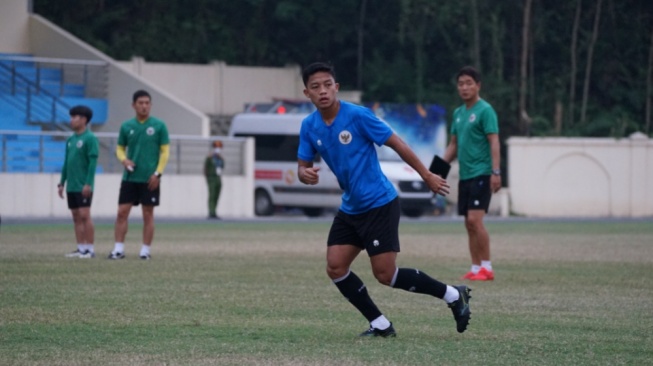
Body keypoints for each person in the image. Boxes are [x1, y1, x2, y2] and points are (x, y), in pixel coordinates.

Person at [297, 62, 472, 337]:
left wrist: (427, 175)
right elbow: (302, 165)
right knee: (335, 266)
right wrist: (304, 174)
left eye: (328, 85)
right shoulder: (309, 126)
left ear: (337, 87)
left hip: (380, 203)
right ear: (307, 93)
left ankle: (452, 294)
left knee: (385, 275)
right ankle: (380, 324)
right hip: (351, 207)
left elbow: (398, 143)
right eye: (316, 87)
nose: (323, 91)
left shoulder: (358, 116)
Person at [442, 66, 501, 281]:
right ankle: (476, 268)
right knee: (468, 222)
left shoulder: (485, 110)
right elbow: (453, 146)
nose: (464, 87)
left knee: (476, 220)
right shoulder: (458, 114)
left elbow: (494, 141)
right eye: (461, 84)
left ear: (478, 86)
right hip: (465, 175)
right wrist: (434, 172)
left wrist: (495, 172)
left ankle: (487, 267)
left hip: (482, 173)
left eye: (469, 83)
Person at [108, 90, 170, 260]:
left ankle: (145, 251)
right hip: (130, 177)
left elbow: (165, 152)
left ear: (150, 105)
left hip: (150, 178)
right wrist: (124, 160)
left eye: (147, 103)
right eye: (141, 103)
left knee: (147, 214)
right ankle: (118, 250)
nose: (144, 106)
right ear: (133, 105)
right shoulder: (126, 126)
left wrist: (158, 174)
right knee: (122, 212)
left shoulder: (159, 126)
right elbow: (120, 148)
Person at [58, 105, 99, 258]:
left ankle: (90, 249)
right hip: (72, 185)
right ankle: (81, 248)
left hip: (83, 185)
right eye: (71, 117)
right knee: (75, 216)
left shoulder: (90, 138)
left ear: (84, 120)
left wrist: (88, 183)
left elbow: (92, 163)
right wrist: (62, 182)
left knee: (84, 214)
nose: (71, 120)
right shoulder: (70, 140)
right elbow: (66, 162)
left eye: (75, 117)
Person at [204, 140, 225, 219]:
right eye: (216, 147)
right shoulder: (209, 158)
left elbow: (222, 167)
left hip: (218, 178)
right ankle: (211, 211)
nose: (218, 149)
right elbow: (205, 168)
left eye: (219, 147)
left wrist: (221, 158)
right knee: (211, 195)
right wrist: (207, 179)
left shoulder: (221, 159)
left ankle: (214, 211)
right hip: (211, 178)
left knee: (217, 195)